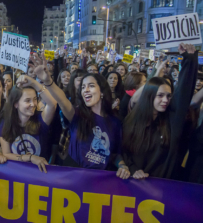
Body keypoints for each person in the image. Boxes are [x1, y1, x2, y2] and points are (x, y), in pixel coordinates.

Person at [32, 53, 130, 179]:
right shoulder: (77, 114)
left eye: (91, 86)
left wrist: (122, 165)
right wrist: (47, 81)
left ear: (102, 91)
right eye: (83, 87)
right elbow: (62, 100)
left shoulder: (115, 122)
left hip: (99, 181)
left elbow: (115, 153)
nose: (86, 90)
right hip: (74, 178)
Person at [123, 43, 198, 179]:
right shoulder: (131, 121)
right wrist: (133, 169)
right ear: (149, 96)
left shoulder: (171, 121)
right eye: (160, 95)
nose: (165, 100)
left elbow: (184, 92)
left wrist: (189, 59)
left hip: (164, 191)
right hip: (135, 189)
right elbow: (123, 151)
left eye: (169, 96)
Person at [0, 75, 57, 173]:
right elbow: (6, 153)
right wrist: (30, 158)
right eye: (28, 100)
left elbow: (52, 104)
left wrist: (34, 83)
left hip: (39, 176)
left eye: (35, 99)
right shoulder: (7, 123)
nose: (33, 104)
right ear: (16, 104)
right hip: (17, 176)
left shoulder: (41, 119)